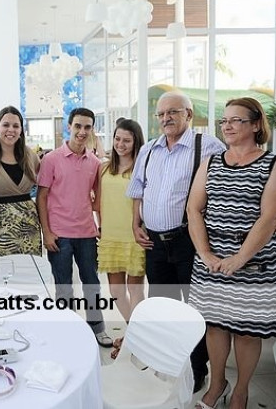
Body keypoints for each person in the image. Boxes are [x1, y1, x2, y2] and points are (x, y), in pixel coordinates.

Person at [188, 97, 276, 409]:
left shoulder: (274, 164)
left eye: (236, 120)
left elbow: (270, 217)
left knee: (247, 332)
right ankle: (218, 384)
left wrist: (240, 258)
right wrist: (205, 253)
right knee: (215, 325)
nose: (227, 126)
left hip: (254, 263)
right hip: (212, 261)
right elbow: (193, 209)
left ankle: (241, 392)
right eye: (224, 120)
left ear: (256, 124)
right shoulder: (211, 162)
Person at [126, 90, 226, 392]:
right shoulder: (149, 149)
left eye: (172, 112)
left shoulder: (208, 146)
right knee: (162, 305)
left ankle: (197, 369)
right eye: (161, 114)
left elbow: (222, 188)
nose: (165, 118)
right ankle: (166, 361)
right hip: (154, 243)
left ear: (188, 114)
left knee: (195, 310)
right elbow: (138, 189)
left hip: (189, 242)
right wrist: (135, 223)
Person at [37, 107, 112, 347]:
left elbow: (98, 199)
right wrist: (47, 233)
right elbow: (41, 197)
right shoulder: (51, 159)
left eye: (87, 127)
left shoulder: (95, 163)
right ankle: (68, 330)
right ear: (69, 126)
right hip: (59, 235)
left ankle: (97, 328)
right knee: (63, 286)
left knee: (92, 283)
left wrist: (101, 225)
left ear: (92, 130)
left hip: (87, 233)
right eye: (78, 126)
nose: (82, 131)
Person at [97, 118, 145, 357]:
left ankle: (135, 341)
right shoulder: (104, 168)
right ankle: (135, 335)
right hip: (110, 236)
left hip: (134, 237)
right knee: (116, 291)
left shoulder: (142, 168)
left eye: (127, 140)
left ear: (136, 142)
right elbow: (98, 201)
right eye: (117, 139)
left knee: (135, 290)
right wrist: (99, 226)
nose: (120, 144)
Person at [0, 106, 41, 258]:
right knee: (3, 267)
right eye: (6, 125)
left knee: (31, 267)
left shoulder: (30, 155)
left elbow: (46, 183)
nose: (11, 130)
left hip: (29, 222)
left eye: (16, 126)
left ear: (21, 130)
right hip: (1, 224)